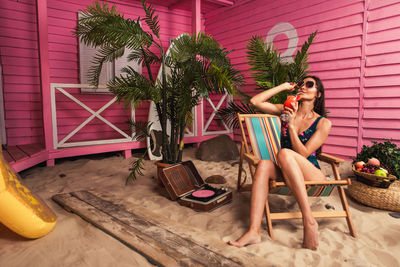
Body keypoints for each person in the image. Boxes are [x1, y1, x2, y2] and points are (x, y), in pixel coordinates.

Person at [228, 76, 331, 250]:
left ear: (318, 94)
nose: (304, 87)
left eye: (309, 84)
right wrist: (283, 86)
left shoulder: (323, 123)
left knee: (283, 153)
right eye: (301, 84)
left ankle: (309, 221)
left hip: (311, 171)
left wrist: (291, 126)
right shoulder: (286, 109)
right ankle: (254, 231)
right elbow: (255, 101)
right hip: (288, 169)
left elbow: (304, 154)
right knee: (264, 165)